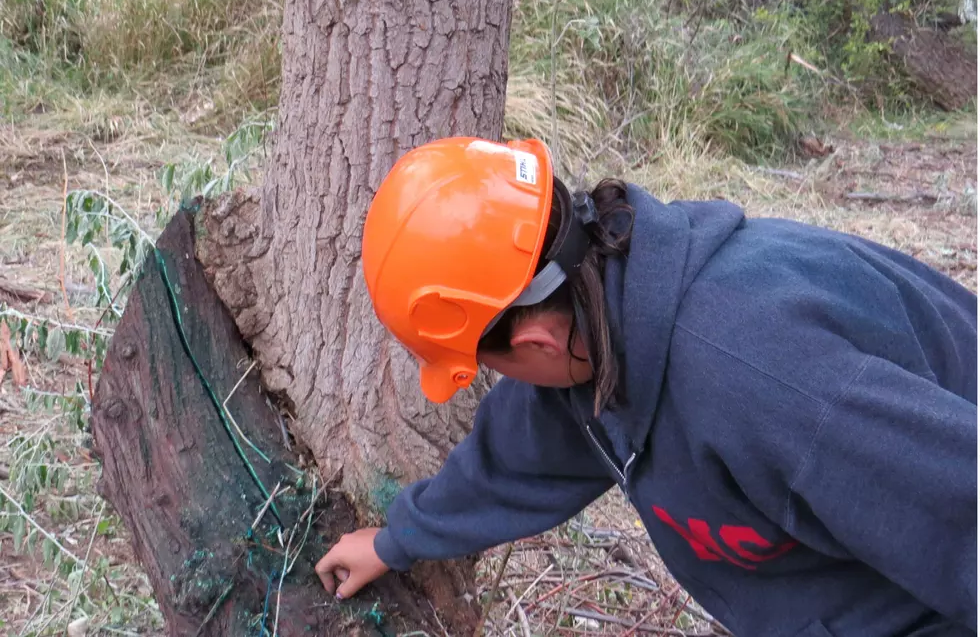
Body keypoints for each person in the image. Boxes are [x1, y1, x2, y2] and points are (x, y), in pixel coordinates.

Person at [315, 136, 978, 637]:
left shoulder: (769, 384)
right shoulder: (602, 306)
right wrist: (397, 539)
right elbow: (527, 448)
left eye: (490, 364)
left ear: (535, 344)